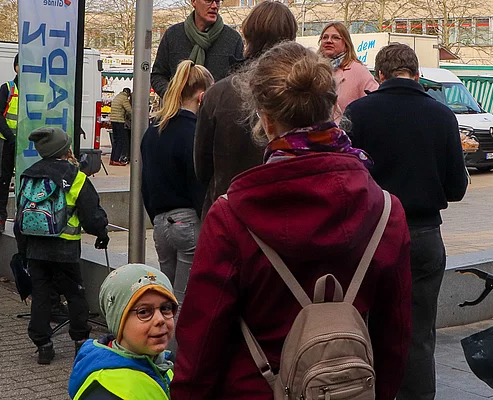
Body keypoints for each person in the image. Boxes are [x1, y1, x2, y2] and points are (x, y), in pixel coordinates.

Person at [172, 42, 412, 400]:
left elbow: (201, 344)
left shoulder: (232, 216)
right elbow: (394, 338)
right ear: (334, 108)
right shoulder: (386, 212)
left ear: (265, 120)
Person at [343, 43, 468, 400]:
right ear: (416, 74)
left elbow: (347, 178)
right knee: (418, 333)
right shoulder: (442, 116)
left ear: (379, 76)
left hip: (371, 236)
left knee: (366, 328)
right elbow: (457, 188)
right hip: (424, 235)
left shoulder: (358, 113)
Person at [194, 0, 297, 216]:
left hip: (228, 215)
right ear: (291, 37)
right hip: (285, 215)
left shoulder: (219, 93)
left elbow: (202, 169)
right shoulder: (306, 91)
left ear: (248, 35)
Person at [17, 127, 110, 365]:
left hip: (36, 248)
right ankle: (80, 343)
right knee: (75, 294)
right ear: (64, 149)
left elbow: (20, 217)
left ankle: (43, 345)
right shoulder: (75, 176)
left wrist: (24, 250)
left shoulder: (29, 175)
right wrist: (102, 233)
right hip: (65, 249)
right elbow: (91, 215)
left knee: (41, 296)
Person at [142, 60, 213, 303]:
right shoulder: (195, 133)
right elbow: (198, 183)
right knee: (183, 301)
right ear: (202, 97)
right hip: (188, 221)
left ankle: (159, 341)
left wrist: (156, 217)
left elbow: (145, 183)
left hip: (161, 223)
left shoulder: (154, 131)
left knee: (166, 297)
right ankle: (174, 343)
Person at [68, 264, 177, 400]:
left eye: (165, 308)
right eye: (143, 312)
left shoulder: (164, 362)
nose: (159, 319)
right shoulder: (106, 392)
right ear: (118, 319)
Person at [150, 0, 243, 97]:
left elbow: (240, 82)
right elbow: (158, 75)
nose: (214, 6)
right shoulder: (173, 35)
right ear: (193, 1)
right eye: (209, 1)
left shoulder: (233, 39)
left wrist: (216, 101)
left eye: (217, 1)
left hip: (216, 110)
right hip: (179, 110)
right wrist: (174, 98)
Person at [317, 22, 378, 121]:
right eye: (325, 37)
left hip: (347, 133)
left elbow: (375, 104)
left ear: (346, 43)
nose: (329, 41)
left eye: (335, 37)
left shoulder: (359, 71)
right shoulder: (314, 69)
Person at [0, 54, 19, 234]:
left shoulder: (38, 88)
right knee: (2, 181)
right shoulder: (8, 88)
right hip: (8, 142)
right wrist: (11, 137)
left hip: (30, 145)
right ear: (16, 67)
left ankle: (24, 218)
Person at [109, 88, 132, 166]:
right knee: (121, 141)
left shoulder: (117, 96)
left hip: (113, 121)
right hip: (119, 121)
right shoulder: (124, 98)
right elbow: (129, 109)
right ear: (128, 93)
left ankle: (112, 159)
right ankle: (116, 160)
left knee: (115, 141)